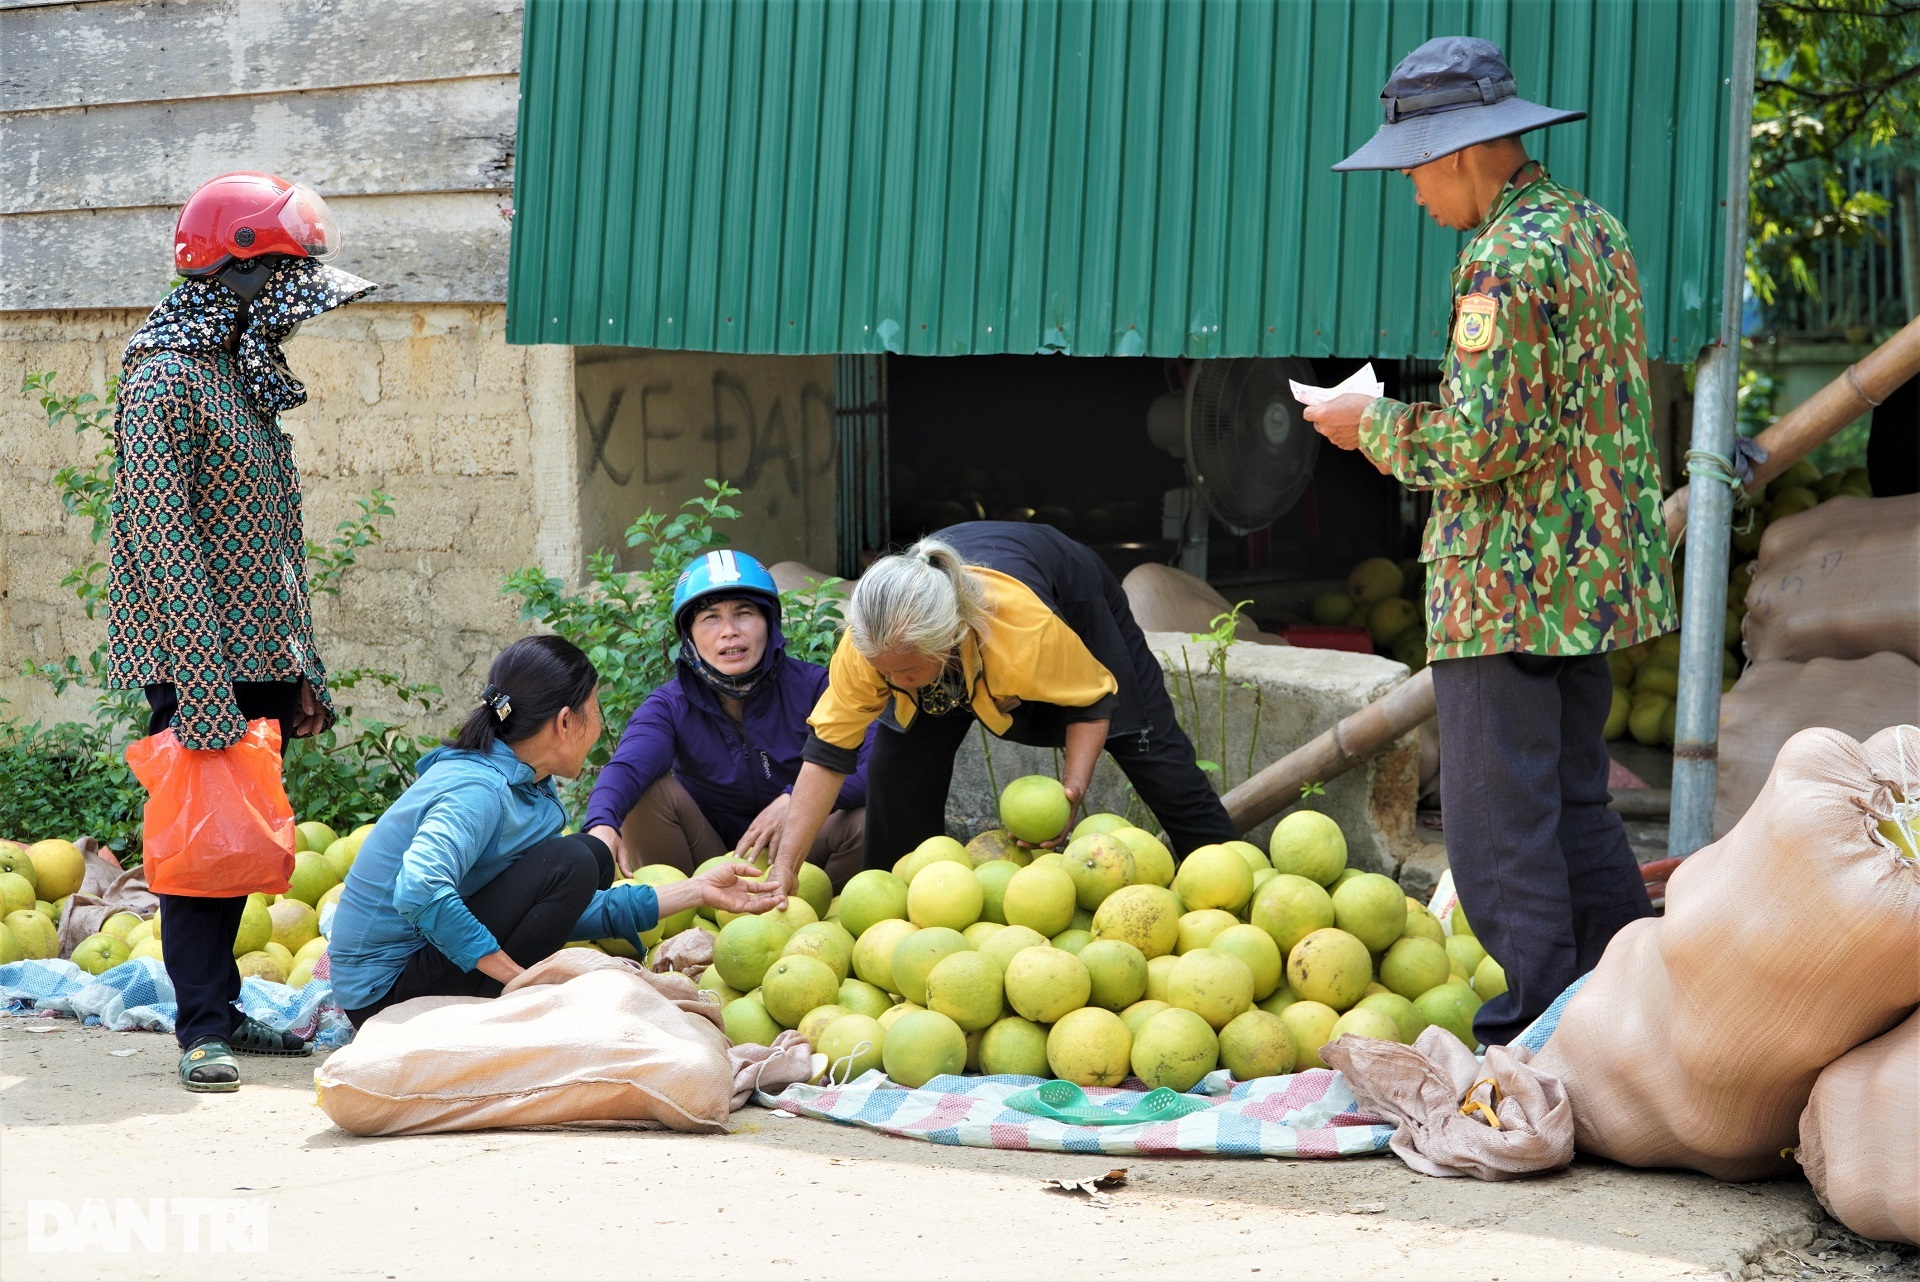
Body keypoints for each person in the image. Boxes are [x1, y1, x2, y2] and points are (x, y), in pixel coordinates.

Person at [1304, 38, 1674, 1047]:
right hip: (1589, 578)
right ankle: (1626, 1013)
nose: (1416, 194)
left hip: (1507, 584)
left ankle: (1533, 1035)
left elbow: (1486, 437)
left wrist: (1364, 426)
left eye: (1415, 169)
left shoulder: (1504, 262)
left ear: (1462, 151)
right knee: (1574, 802)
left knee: (1497, 825)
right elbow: (1556, 413)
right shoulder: (1592, 230)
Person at [108, 171, 378, 1091]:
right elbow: (161, 534)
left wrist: (298, 667)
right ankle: (199, 1032)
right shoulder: (165, 379)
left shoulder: (237, 371)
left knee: (234, 841)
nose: (293, 308)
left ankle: (220, 1010)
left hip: (257, 653)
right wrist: (203, 681)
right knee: (195, 847)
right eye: (285, 284)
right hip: (197, 657)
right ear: (237, 272)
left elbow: (269, 537)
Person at [763, 521, 1238, 896]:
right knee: (897, 765)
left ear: (950, 641)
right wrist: (786, 867)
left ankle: (1230, 874)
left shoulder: (1023, 634)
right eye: (883, 671)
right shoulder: (874, 645)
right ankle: (899, 899)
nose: (891, 682)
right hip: (932, 621)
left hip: (1071, 591)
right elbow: (827, 753)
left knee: (1147, 745)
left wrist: (1068, 795)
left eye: (903, 673)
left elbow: (1093, 702)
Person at [327, 635, 781, 1026]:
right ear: (565, 722)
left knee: (585, 860)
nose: (600, 726)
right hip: (384, 996)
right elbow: (420, 890)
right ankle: (505, 1004)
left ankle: (503, 999)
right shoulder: (478, 788)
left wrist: (697, 891)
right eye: (595, 709)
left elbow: (559, 909)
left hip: (422, 968)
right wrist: (517, 978)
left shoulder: (528, 787)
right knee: (580, 858)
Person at [583, 550, 872, 886]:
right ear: (688, 635)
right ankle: (684, 924)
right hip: (708, 861)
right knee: (646, 795)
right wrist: (601, 825)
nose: (729, 631)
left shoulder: (816, 687)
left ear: (769, 623)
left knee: (865, 820)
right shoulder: (669, 705)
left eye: (744, 613)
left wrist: (794, 801)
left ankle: (817, 919)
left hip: (802, 852)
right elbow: (628, 767)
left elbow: (876, 765)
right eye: (710, 618)